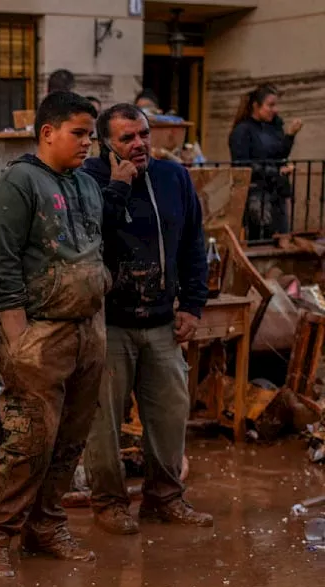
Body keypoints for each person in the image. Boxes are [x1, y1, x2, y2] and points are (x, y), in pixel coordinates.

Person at [0, 92, 108, 578]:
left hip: (89, 331)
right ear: (47, 132)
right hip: (41, 336)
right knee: (29, 442)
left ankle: (45, 526)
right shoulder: (17, 184)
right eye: (79, 133)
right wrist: (20, 339)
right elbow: (1, 266)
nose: (88, 143)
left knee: (70, 440)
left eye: (91, 134)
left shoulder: (87, 184)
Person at [80, 103, 214, 535]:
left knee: (171, 412)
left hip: (161, 320)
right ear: (106, 143)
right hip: (110, 322)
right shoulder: (90, 181)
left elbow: (194, 242)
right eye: (127, 138)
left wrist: (192, 305)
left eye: (143, 134)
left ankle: (165, 497)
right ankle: (110, 503)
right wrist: (117, 188)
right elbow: (86, 239)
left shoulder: (173, 177)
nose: (138, 144)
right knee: (103, 420)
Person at [230, 84, 304, 240]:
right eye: (270, 105)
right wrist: (275, 171)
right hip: (256, 195)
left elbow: (279, 153)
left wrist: (290, 135)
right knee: (262, 239)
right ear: (256, 106)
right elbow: (242, 164)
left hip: (277, 190)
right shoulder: (243, 130)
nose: (275, 110)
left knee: (282, 238)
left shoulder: (272, 128)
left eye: (275, 105)